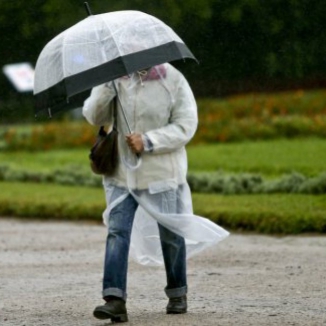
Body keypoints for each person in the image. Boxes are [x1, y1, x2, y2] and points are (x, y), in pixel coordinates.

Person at [83, 63, 229, 323]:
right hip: (121, 175)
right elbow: (94, 117)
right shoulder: (114, 78)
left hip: (161, 173)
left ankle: (177, 292)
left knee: (171, 235)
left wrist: (148, 141)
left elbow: (186, 124)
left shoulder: (171, 79)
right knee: (117, 231)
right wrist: (106, 85)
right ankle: (114, 299)